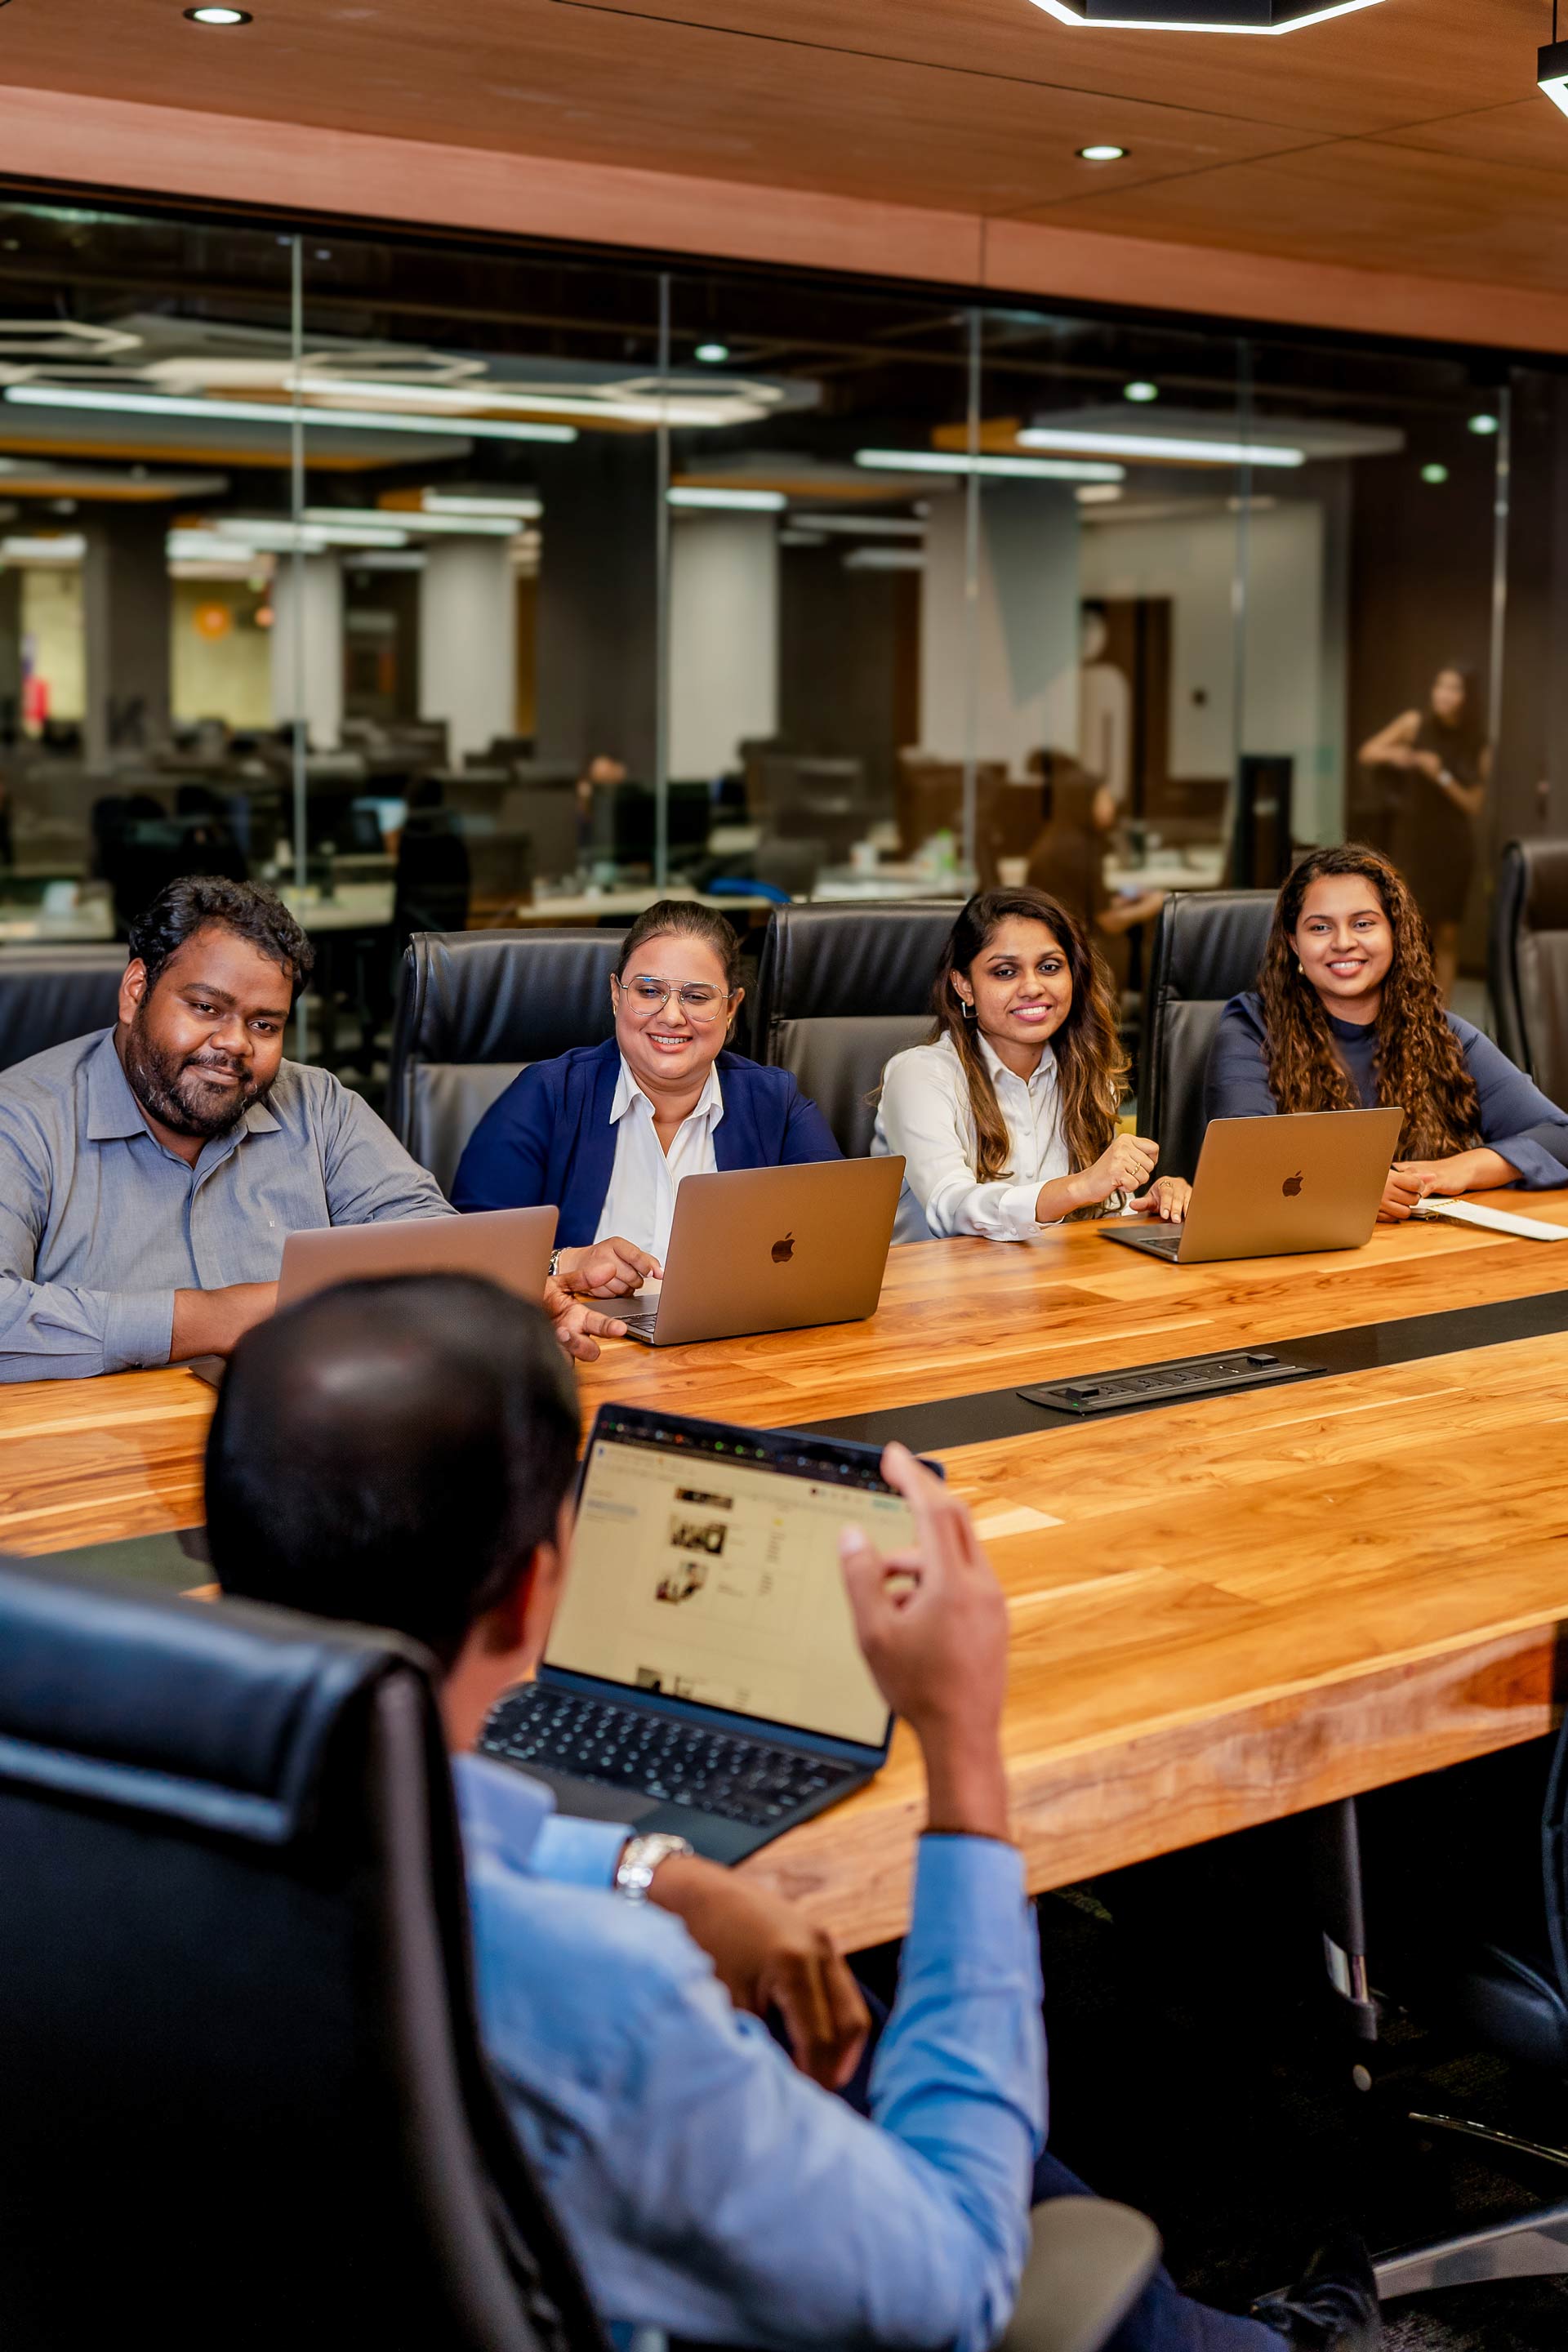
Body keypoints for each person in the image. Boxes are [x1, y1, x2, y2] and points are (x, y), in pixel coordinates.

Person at [206, 1271, 1379, 2352]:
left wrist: (650, 1873)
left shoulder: (122, 1819)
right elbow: (958, 2279)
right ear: (531, 1596)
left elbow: (448, 1839)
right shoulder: (605, 1999)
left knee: (830, 2013)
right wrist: (963, 1751)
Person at [0, 873, 622, 1381]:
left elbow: (428, 1241)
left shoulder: (317, 1104)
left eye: (265, 1024)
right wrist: (219, 1317)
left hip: (312, 1442)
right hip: (99, 1466)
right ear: (136, 991)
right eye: (206, 1008)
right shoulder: (24, 1118)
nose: (234, 1044)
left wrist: (500, 1295)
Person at [452, 899, 840, 1296]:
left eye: (697, 997)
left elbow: (839, 1243)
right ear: (617, 995)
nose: (671, 1016)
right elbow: (465, 1256)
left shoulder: (776, 1103)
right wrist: (565, 1263)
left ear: (731, 1008)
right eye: (649, 991)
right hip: (581, 1348)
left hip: (737, 1347)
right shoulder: (546, 1096)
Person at [1205, 843, 1568, 1220]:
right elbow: (1242, 1158)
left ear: (1395, 932)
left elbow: (1559, 1134)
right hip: (1302, 1258)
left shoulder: (1439, 1033)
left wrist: (1457, 1169)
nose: (1343, 942)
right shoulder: (1252, 1027)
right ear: (1294, 943)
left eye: (1363, 923)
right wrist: (1348, 1185)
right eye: (1320, 927)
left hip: (1423, 1252)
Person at [872, 887, 1190, 1246]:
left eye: (1050, 967)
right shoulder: (919, 1075)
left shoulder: (1088, 1073)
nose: (1033, 987)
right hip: (934, 1291)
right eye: (1005, 972)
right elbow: (950, 1207)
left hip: (1048, 1283)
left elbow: (1101, 1209)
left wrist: (1156, 1201)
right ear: (964, 986)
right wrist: (1080, 1186)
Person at [1359, 665, 1489, 1004]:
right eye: (1439, 686)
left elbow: (1474, 803)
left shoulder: (1476, 741)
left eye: (1453, 688)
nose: (1443, 694)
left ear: (1467, 698)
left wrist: (1441, 776)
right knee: (1409, 926)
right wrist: (1403, 756)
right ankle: (1405, 1007)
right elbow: (1368, 752)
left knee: (1447, 934)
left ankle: (1442, 1016)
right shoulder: (1414, 724)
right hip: (1414, 841)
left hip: (1454, 845)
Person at [1025, 764, 1165, 993]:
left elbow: (1084, 901)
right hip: (1080, 948)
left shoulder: (1060, 837)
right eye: (1105, 797)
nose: (1111, 805)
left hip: (1058, 938)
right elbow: (1108, 922)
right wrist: (1155, 904)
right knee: (1159, 961)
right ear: (1085, 802)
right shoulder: (1079, 850)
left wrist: (1125, 899)